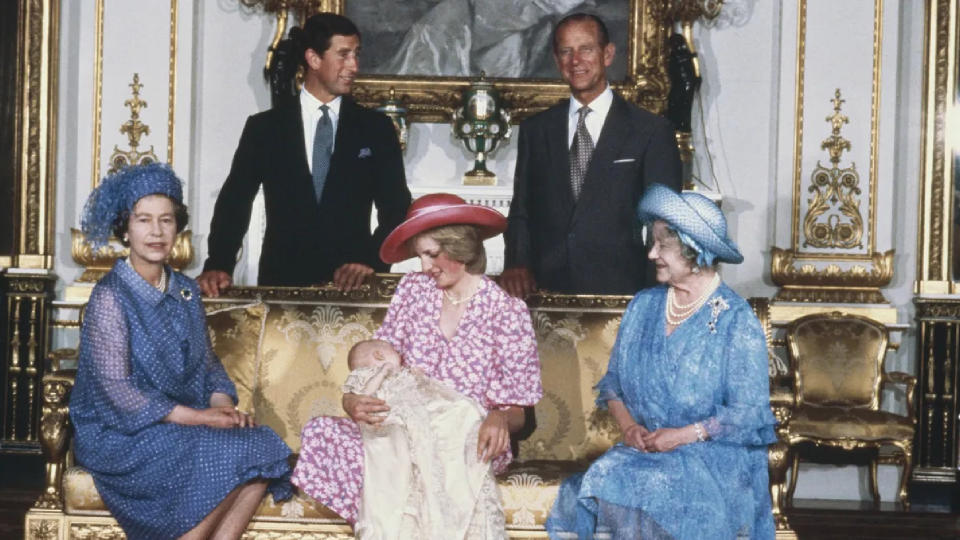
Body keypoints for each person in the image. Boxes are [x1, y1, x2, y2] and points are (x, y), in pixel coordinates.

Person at [292, 193, 543, 533]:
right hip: (402, 425)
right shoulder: (412, 291)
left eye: (431, 254)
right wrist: (352, 401)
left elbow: (518, 411)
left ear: (460, 247)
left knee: (422, 466)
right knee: (323, 432)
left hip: (465, 436)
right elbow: (377, 362)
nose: (425, 266)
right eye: (419, 255)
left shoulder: (507, 310)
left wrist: (500, 416)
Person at [70, 163, 293, 540]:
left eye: (166, 220)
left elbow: (208, 367)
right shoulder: (110, 296)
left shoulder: (186, 291)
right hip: (120, 433)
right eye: (143, 220)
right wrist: (203, 418)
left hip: (180, 423)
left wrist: (221, 405)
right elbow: (120, 396)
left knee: (262, 447)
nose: (156, 232)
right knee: (229, 453)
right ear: (125, 229)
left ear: (178, 227)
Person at [545, 183, 776, 540]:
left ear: (694, 249)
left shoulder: (736, 320)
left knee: (662, 488)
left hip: (714, 457)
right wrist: (628, 428)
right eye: (652, 243)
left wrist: (682, 437)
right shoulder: (644, 306)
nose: (652, 254)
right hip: (647, 452)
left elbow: (748, 413)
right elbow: (614, 384)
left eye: (662, 245)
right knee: (604, 478)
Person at [198, 12, 411, 295]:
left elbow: (397, 208)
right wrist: (219, 263)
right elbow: (234, 202)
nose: (354, 66)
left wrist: (371, 261)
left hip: (353, 288)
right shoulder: (264, 128)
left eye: (356, 54)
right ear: (313, 59)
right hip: (281, 285)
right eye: (344, 55)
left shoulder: (377, 129)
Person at [501, 12, 683, 297]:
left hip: (623, 291)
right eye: (566, 51)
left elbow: (665, 222)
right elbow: (522, 210)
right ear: (556, 60)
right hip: (546, 291)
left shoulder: (650, 130)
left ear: (607, 54)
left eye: (585, 49)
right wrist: (517, 262)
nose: (576, 61)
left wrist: (654, 293)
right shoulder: (536, 130)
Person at [343, 339, 504, 538]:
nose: (400, 356)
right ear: (379, 355)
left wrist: (416, 375)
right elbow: (361, 392)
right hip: (390, 411)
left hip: (432, 412)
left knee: (461, 411)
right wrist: (380, 374)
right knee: (405, 430)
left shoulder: (404, 371)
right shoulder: (374, 371)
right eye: (394, 352)